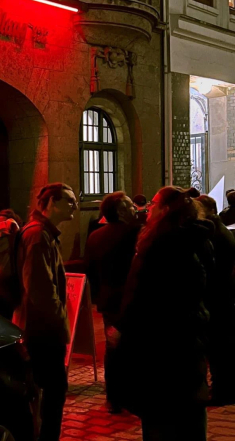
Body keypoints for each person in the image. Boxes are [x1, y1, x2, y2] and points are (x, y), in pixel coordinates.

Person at [113, 187, 209, 440]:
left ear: (166, 210)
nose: (148, 208)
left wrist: (124, 327)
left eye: (154, 203)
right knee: (188, 409)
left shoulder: (160, 245)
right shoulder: (196, 238)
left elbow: (141, 292)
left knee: (162, 413)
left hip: (161, 341)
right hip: (188, 338)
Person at [13, 183, 76, 441]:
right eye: (69, 200)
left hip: (37, 326)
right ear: (51, 203)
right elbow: (40, 290)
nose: (75, 205)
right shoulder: (38, 235)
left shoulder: (41, 232)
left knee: (46, 390)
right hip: (42, 329)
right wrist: (60, 322)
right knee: (53, 390)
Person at [83, 191, 140, 413]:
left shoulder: (95, 236)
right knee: (134, 348)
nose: (135, 208)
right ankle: (131, 395)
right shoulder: (135, 233)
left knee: (113, 348)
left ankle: (114, 398)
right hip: (132, 300)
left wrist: (100, 296)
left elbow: (90, 271)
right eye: (130, 205)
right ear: (120, 211)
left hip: (108, 302)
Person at [197, 195, 235, 405]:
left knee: (220, 349)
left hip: (218, 297)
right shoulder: (219, 230)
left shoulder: (214, 234)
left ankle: (223, 391)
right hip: (222, 296)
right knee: (221, 348)